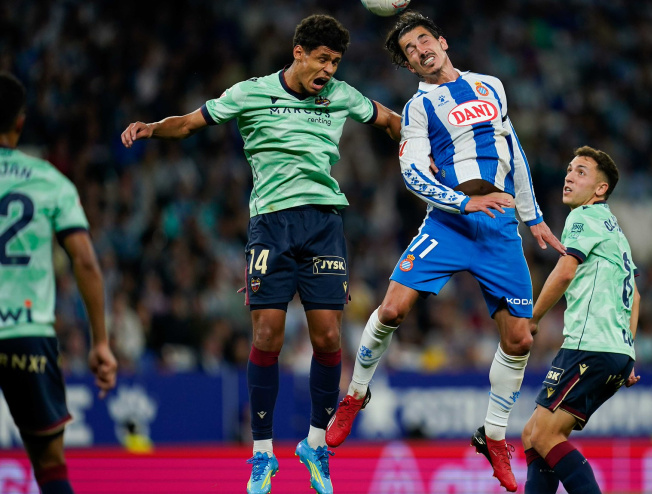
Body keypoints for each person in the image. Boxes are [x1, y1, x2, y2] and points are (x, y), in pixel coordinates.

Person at [120, 14, 401, 494]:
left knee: (329, 337)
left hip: (324, 223)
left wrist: (421, 149)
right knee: (268, 334)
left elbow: (392, 121)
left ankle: (315, 444)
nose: (329, 70)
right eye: (322, 59)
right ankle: (262, 455)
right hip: (270, 224)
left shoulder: (343, 95)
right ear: (298, 53)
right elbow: (189, 124)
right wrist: (152, 127)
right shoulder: (250, 92)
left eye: (335, 62)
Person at [326, 11, 565, 492]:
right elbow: (413, 174)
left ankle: (493, 435)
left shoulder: (490, 86)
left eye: (422, 41)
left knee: (520, 340)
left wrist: (532, 214)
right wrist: (464, 201)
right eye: (410, 52)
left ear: (442, 40)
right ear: (411, 67)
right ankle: (354, 395)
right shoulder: (418, 109)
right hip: (450, 222)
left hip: (498, 229)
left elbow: (512, 149)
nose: (419, 51)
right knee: (392, 308)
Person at [0, 71, 118, 494]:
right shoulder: (50, 180)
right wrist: (100, 342)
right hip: (27, 336)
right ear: (20, 122)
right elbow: (85, 262)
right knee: (50, 467)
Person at [520, 146, 641, 494]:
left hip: (589, 347)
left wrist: (533, 317)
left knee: (544, 433)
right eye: (569, 169)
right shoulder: (616, 234)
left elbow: (565, 271)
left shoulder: (583, 219)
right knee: (533, 434)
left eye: (582, 172)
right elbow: (636, 295)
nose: (570, 175)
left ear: (600, 189)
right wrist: (628, 349)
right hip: (612, 350)